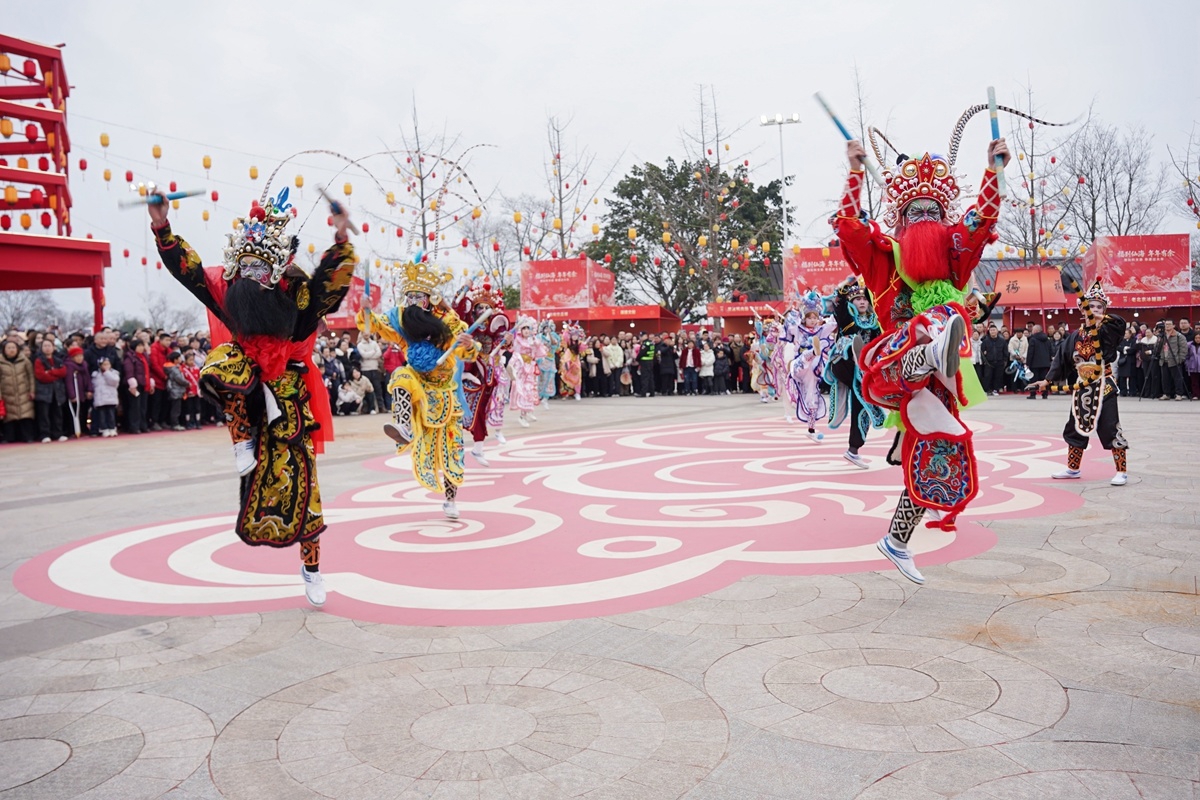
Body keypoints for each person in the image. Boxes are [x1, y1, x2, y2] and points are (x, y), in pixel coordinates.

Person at [150, 185, 356, 607]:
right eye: (243, 267)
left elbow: (329, 286)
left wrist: (340, 239)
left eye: (260, 269)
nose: (250, 276)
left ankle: (312, 567)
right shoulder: (230, 293)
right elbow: (189, 272)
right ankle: (241, 440)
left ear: (277, 270)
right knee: (222, 361)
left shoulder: (297, 295)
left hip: (289, 394)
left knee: (303, 483)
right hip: (246, 384)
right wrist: (162, 227)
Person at [835, 117, 1009, 584]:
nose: (926, 219)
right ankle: (929, 350)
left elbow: (980, 220)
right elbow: (848, 225)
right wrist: (855, 174)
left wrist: (993, 170)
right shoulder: (883, 256)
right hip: (890, 369)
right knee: (941, 319)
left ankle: (896, 540)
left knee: (940, 451)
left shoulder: (952, 258)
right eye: (916, 212)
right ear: (900, 218)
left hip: (939, 383)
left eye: (934, 211)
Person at [356, 255, 479, 520]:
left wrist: (468, 344)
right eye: (409, 296)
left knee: (451, 449)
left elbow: (468, 352)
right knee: (400, 375)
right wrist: (366, 310)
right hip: (418, 383)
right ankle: (404, 426)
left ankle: (450, 499)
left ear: (429, 298)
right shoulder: (402, 319)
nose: (412, 302)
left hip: (444, 392)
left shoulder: (448, 320)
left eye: (418, 297)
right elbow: (376, 325)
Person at [1030, 278, 1129, 486]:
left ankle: (1121, 471)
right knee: (1075, 427)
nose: (1094, 310)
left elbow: (1120, 324)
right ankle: (1073, 468)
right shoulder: (1075, 336)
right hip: (1082, 388)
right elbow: (1061, 360)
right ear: (1082, 310)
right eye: (1090, 306)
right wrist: (1047, 381)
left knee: (1110, 427)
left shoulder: (1106, 331)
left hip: (1104, 385)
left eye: (1099, 307)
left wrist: (1101, 318)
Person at [823, 277, 884, 467]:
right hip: (843, 362)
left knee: (862, 404)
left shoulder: (874, 322)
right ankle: (856, 351)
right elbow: (839, 302)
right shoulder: (846, 316)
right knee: (850, 342)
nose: (862, 302)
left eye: (865, 299)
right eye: (858, 299)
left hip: (862, 371)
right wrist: (847, 284)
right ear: (852, 302)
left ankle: (853, 450)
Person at [453, 281, 510, 464]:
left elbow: (500, 338)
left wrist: (506, 339)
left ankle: (478, 448)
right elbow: (457, 309)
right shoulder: (468, 322)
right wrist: (463, 291)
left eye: (487, 308)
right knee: (455, 409)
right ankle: (454, 446)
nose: (483, 310)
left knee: (481, 410)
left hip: (486, 372)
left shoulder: (495, 324)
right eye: (480, 307)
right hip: (466, 366)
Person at [785, 291, 838, 441]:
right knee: (808, 354)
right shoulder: (798, 328)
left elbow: (834, 323)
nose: (813, 320)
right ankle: (814, 351)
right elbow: (789, 324)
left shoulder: (820, 329)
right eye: (810, 318)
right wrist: (796, 308)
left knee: (812, 397)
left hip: (814, 370)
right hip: (799, 365)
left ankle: (811, 428)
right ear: (804, 318)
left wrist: (834, 305)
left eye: (815, 317)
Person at [509, 317, 543, 426]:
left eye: (528, 328)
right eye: (524, 328)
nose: (526, 331)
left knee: (530, 390)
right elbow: (514, 353)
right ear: (520, 330)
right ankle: (522, 416)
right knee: (523, 391)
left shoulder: (533, 340)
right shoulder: (517, 341)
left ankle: (528, 411)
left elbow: (539, 352)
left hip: (530, 368)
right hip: (521, 368)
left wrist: (535, 344)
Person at [0, 339, 36, 443]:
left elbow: (31, 376)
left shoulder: (25, 360)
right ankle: (9, 437)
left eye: (13, 348)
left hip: (24, 392)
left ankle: (28, 436)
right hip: (7, 393)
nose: (11, 350)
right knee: (9, 417)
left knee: (26, 415)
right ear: (4, 350)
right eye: (8, 348)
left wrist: (32, 390)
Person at [33, 338, 68, 443]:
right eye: (45, 346)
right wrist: (55, 375)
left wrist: (50, 372)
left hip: (57, 391)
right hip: (43, 391)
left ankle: (58, 433)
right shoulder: (39, 360)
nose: (47, 348)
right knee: (44, 414)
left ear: (53, 347)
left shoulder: (58, 360)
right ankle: (45, 434)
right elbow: (41, 376)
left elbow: (63, 372)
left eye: (49, 346)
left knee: (57, 413)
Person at [122, 338, 151, 434]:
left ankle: (143, 425)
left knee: (143, 407)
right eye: (139, 346)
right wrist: (132, 382)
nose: (141, 348)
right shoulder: (129, 357)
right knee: (135, 407)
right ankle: (134, 426)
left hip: (144, 384)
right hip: (134, 385)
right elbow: (128, 370)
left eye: (142, 345)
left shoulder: (144, 356)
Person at [65, 345, 92, 438]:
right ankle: (73, 430)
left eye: (81, 356)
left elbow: (88, 378)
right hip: (76, 392)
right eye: (77, 356)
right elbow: (69, 381)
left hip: (83, 392)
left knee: (84, 411)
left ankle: (83, 428)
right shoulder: (69, 366)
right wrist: (72, 395)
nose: (80, 358)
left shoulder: (84, 365)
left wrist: (89, 389)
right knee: (75, 412)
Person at [90, 358, 121, 437]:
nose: (106, 366)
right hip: (100, 399)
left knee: (111, 415)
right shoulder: (96, 374)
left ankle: (112, 428)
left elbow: (114, 382)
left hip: (110, 398)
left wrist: (107, 373)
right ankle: (104, 429)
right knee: (102, 416)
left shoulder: (114, 373)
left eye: (108, 364)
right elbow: (94, 385)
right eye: (104, 364)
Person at [1158, 319, 1188, 401]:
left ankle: (1179, 394)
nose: (1167, 326)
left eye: (1169, 324)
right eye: (1166, 324)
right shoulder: (1162, 335)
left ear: (1173, 325)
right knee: (1165, 378)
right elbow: (1157, 347)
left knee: (1177, 378)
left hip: (1175, 360)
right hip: (1164, 360)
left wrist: (1180, 359)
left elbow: (1184, 349)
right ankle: (1166, 393)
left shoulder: (1179, 336)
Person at [356, 332, 385, 413]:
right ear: (362, 334)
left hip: (375, 368)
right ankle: (368, 408)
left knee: (378, 389)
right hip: (365, 369)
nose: (366, 334)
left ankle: (381, 407)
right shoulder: (360, 345)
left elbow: (379, 353)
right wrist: (373, 351)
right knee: (367, 390)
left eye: (367, 333)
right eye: (364, 333)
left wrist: (368, 354)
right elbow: (364, 355)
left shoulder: (374, 343)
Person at [536, 320, 561, 407]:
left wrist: (549, 334)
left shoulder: (554, 336)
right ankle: (538, 395)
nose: (547, 329)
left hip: (550, 360)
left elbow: (555, 344)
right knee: (540, 378)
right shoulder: (539, 337)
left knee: (549, 378)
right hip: (541, 360)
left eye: (549, 328)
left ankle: (545, 397)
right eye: (545, 328)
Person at [164, 351, 189, 430]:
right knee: (176, 409)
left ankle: (175, 423)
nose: (181, 359)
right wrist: (187, 383)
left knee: (176, 408)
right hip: (176, 390)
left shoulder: (174, 368)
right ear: (175, 360)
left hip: (176, 390)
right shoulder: (174, 369)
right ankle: (175, 424)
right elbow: (179, 379)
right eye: (179, 358)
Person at [980, 325, 1008, 395]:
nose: (992, 332)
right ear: (989, 331)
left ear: (997, 331)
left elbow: (1005, 351)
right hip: (988, 362)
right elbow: (982, 352)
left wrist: (1004, 360)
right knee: (987, 376)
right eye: (991, 330)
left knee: (998, 376)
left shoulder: (1002, 341)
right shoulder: (985, 341)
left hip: (999, 361)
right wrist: (984, 361)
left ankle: (996, 389)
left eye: (994, 330)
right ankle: (987, 390)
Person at [1186, 332, 1200, 401]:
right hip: (1192, 366)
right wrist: (1187, 364)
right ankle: (1195, 394)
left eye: (1199, 338)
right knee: (1194, 382)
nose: (1197, 339)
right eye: (1196, 338)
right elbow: (1187, 356)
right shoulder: (1190, 345)